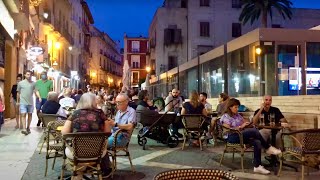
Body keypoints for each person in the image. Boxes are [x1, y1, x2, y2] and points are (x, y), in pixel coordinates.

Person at [220, 98, 281, 174]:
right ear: (230, 107)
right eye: (235, 107)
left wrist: (249, 124)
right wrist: (241, 127)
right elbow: (228, 130)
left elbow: (245, 123)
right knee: (254, 131)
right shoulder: (226, 117)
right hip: (231, 137)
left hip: (241, 136)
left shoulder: (238, 115)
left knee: (257, 142)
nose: (237, 109)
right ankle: (268, 147)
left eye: (238, 107)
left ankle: (257, 166)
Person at [61, 93, 113, 177]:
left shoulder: (75, 113)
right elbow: (108, 132)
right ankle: (91, 169)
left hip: (76, 153)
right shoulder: (100, 113)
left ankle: (79, 172)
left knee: (69, 150)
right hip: (97, 152)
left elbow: (64, 132)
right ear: (94, 102)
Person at [17, 70, 41, 135]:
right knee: (23, 114)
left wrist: (39, 97)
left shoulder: (33, 83)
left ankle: (28, 127)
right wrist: (17, 101)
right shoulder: (20, 83)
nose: (29, 76)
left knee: (30, 115)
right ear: (25, 75)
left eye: (30, 74)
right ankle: (24, 129)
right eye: (27, 74)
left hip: (30, 102)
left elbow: (36, 91)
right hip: (23, 102)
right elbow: (18, 92)